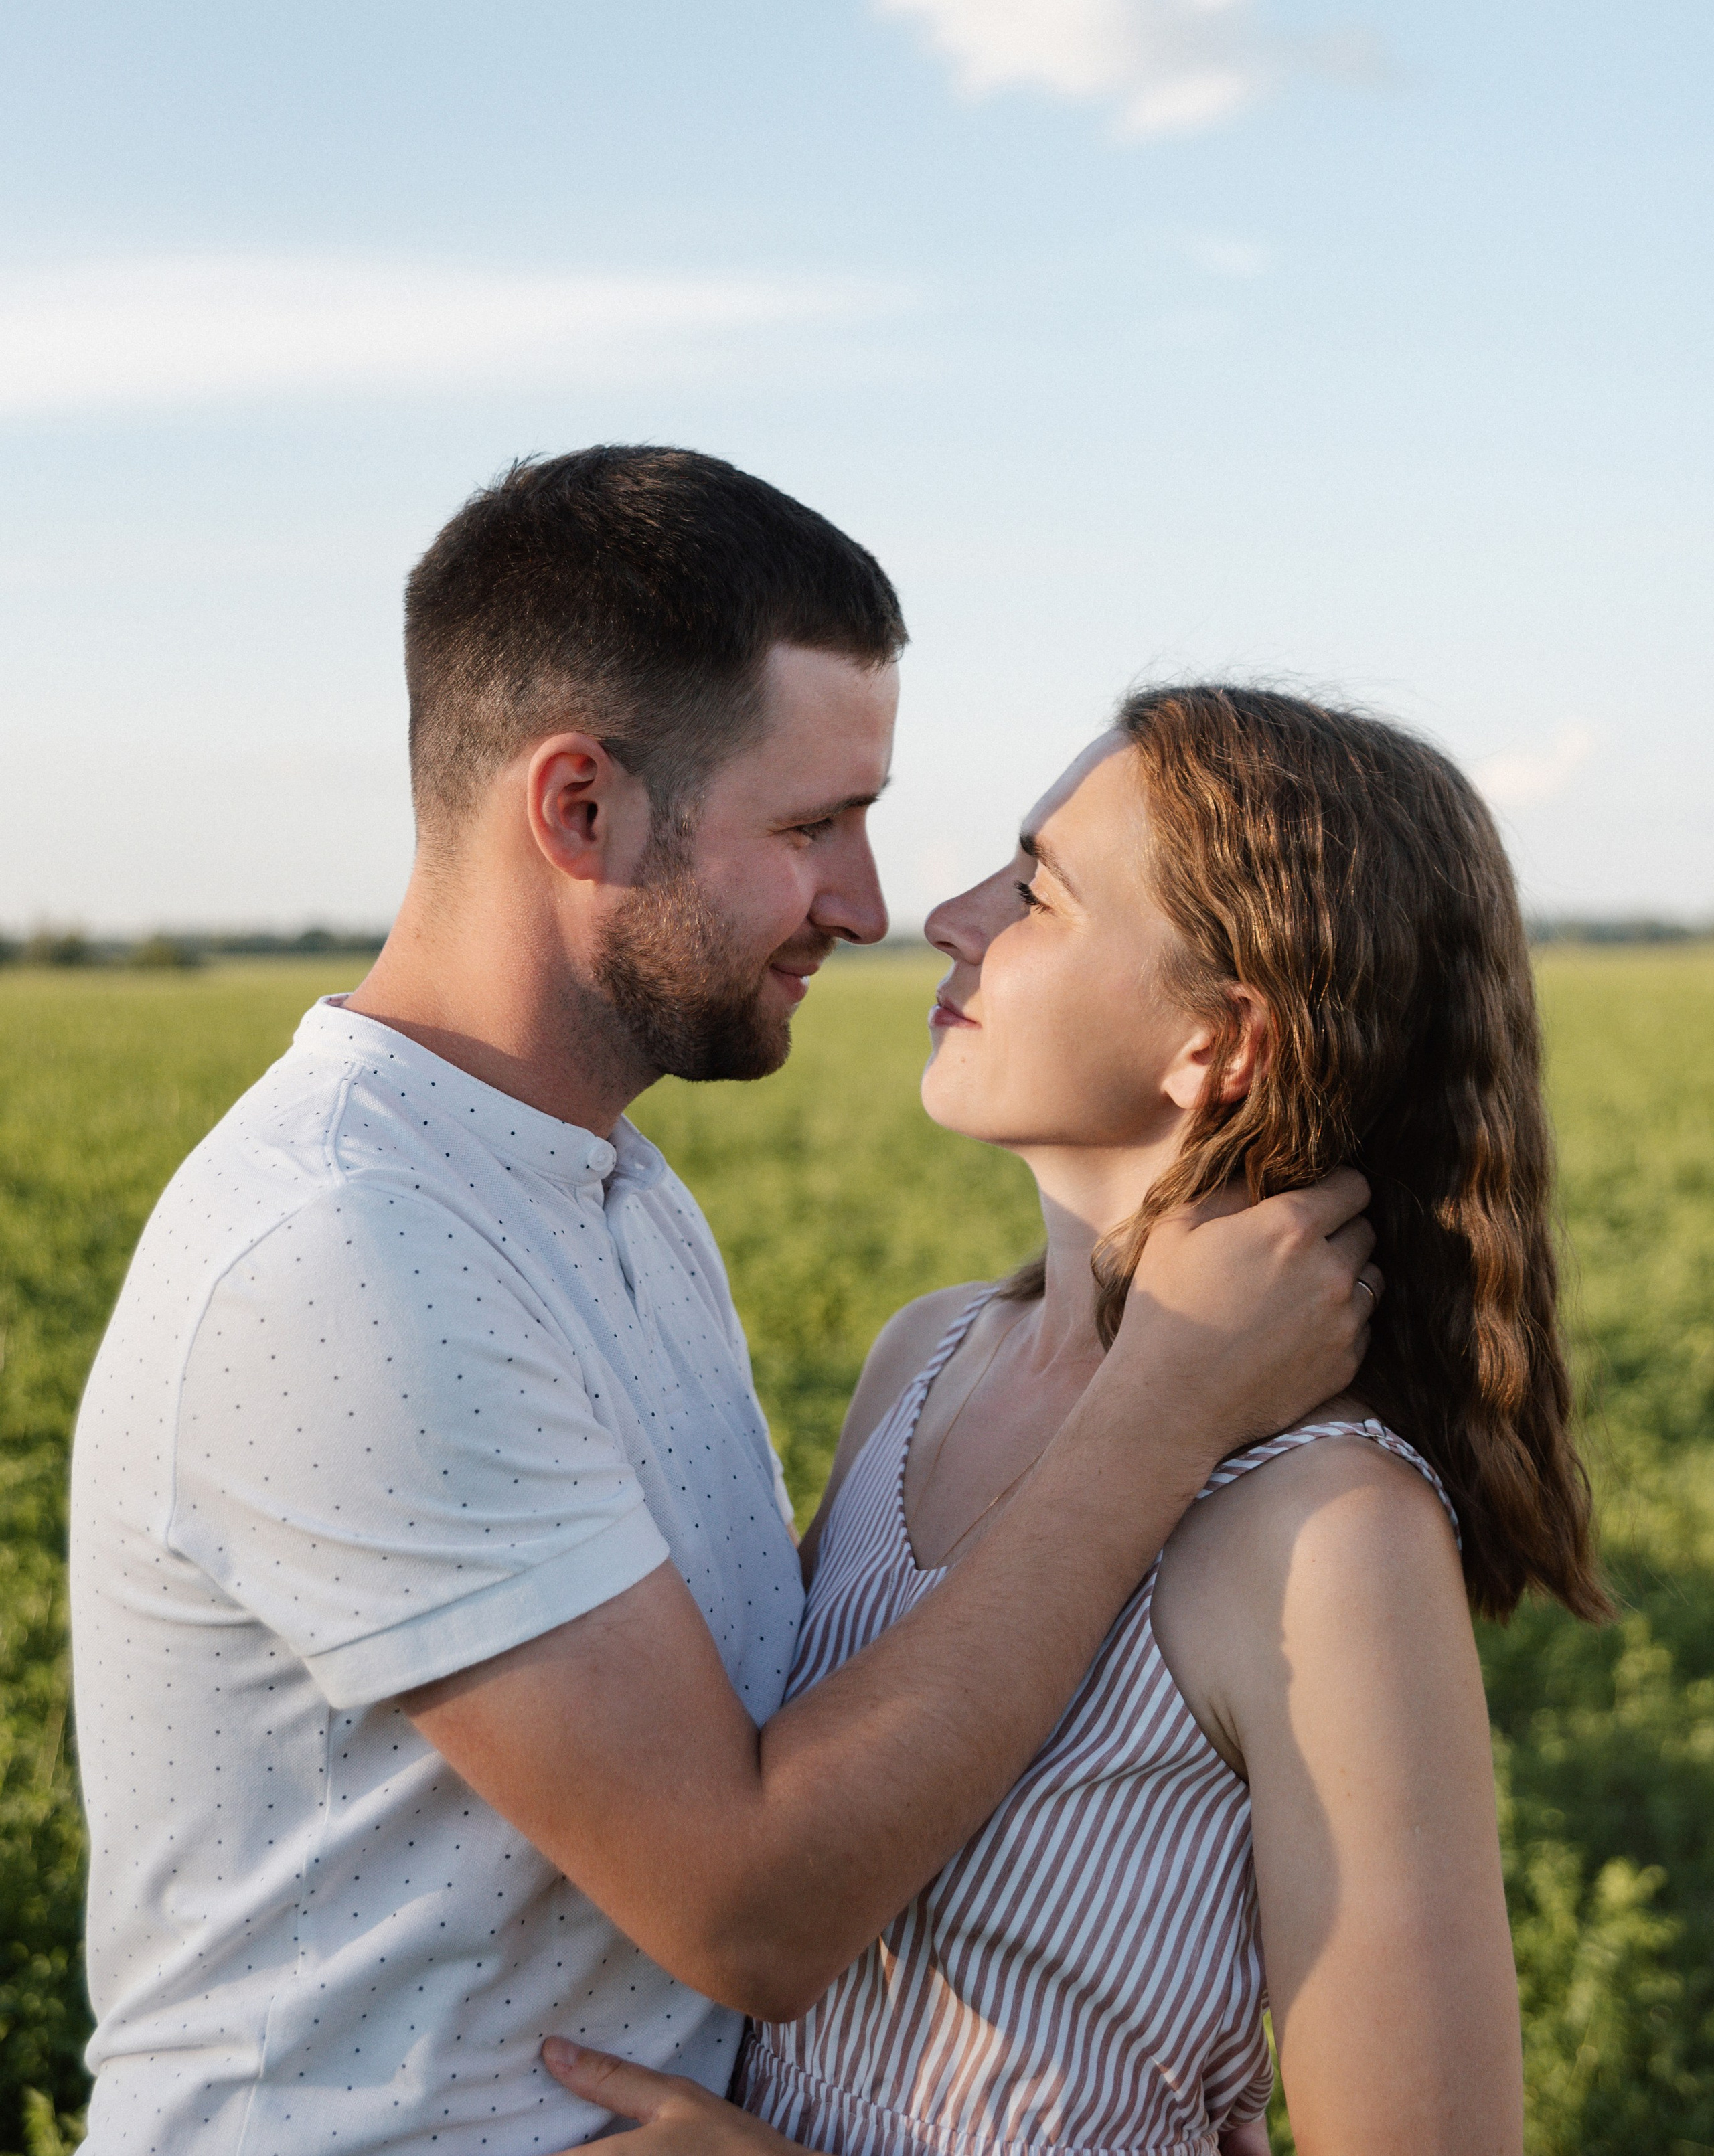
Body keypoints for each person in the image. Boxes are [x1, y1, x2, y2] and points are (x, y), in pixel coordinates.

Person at [70, 455, 1377, 2156]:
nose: (870, 902)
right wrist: (1167, 1399)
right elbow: (750, 1910)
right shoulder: (349, 1256)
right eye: (811, 823)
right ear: (580, 812)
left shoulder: (613, 1193)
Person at [542, 685, 1606, 2156]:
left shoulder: (1328, 1531)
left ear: (1219, 1045)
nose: (946, 914)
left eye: (1035, 889)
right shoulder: (921, 1360)